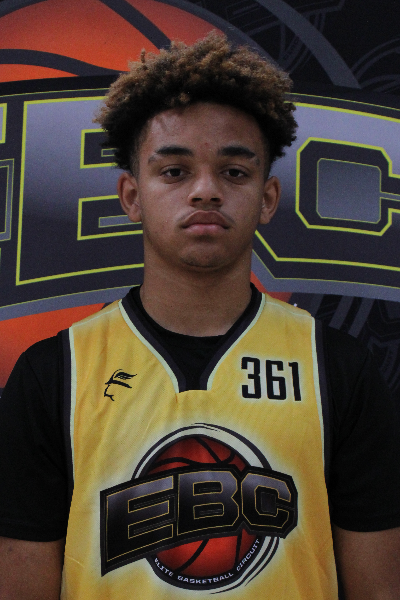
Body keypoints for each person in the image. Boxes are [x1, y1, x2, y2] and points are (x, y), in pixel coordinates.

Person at [0, 33, 400, 600]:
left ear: (267, 198)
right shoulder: (53, 374)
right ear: (131, 196)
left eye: (234, 172)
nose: (206, 191)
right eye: (174, 171)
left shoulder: (338, 367)